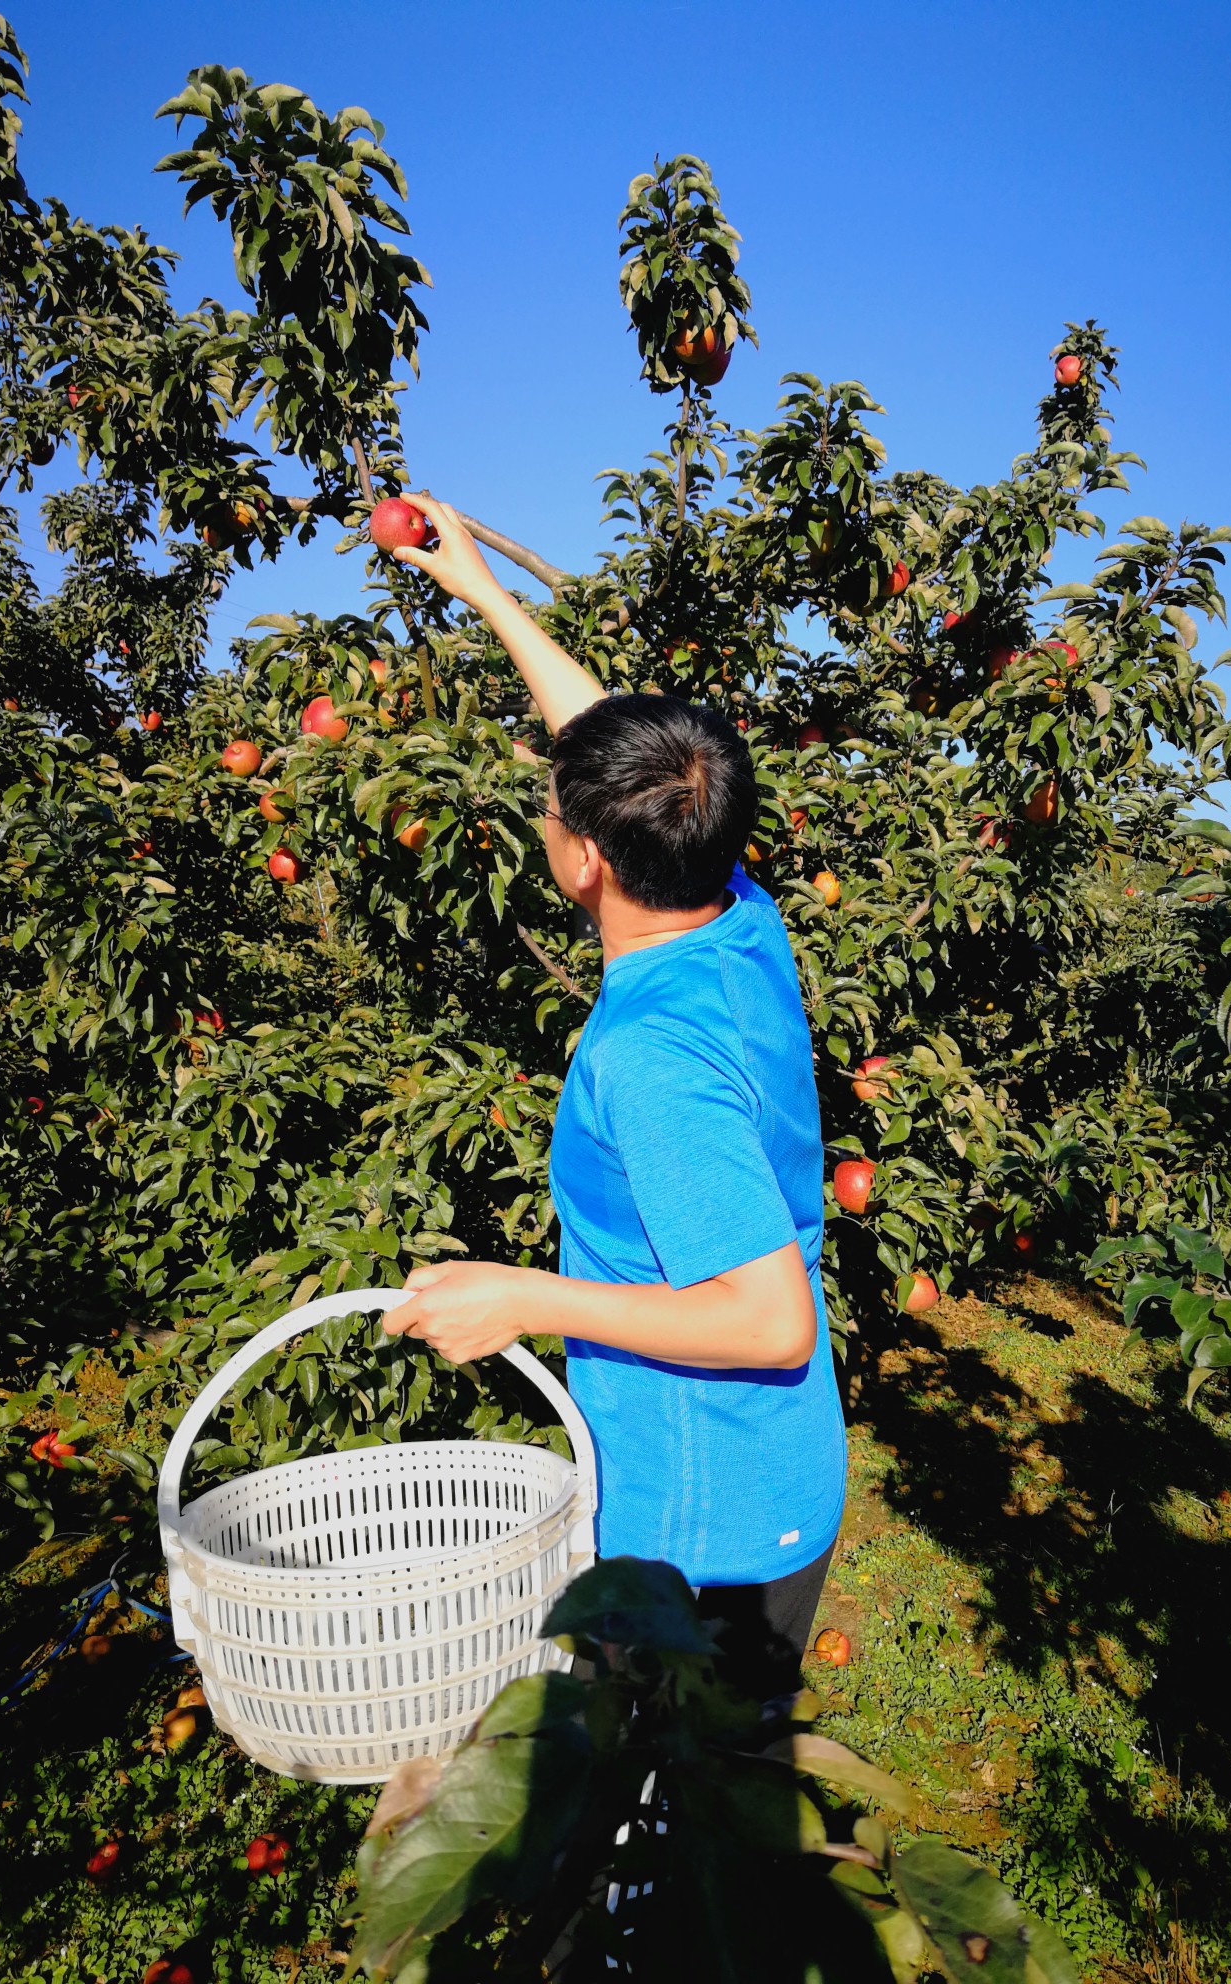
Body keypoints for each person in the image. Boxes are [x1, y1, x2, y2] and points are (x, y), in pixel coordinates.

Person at [382, 496, 847, 1692]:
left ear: (586, 857)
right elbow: (609, 743)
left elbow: (769, 1319)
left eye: (553, 803)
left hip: (703, 1531)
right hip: (771, 1471)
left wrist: (526, 1298)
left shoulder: (649, 1057)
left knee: (660, 1843)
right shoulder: (738, 919)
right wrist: (485, 595)